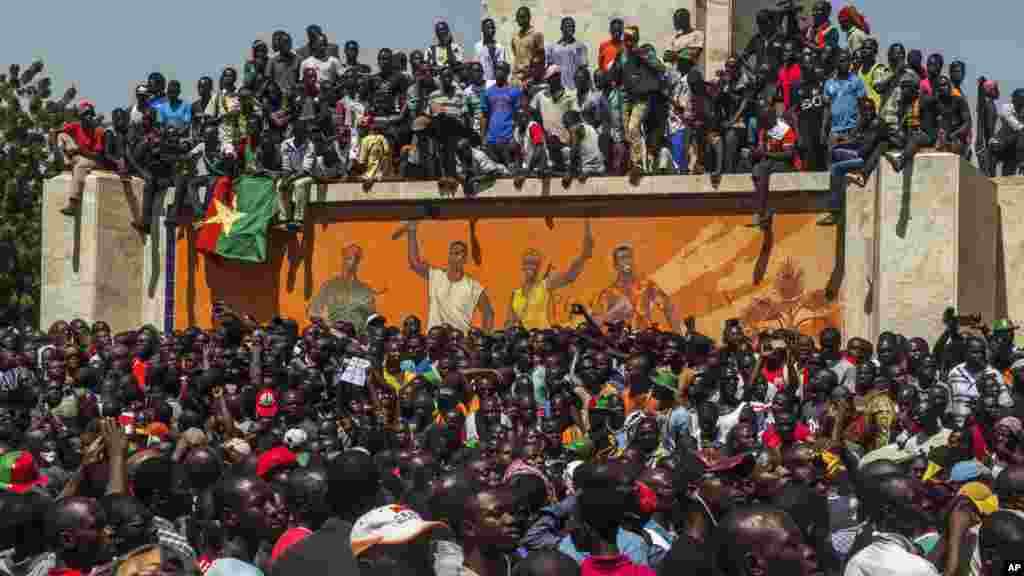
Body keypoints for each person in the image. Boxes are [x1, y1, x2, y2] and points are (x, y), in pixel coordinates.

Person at [403, 222, 494, 333]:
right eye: (454, 253)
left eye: (461, 253)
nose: (458, 256)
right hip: (434, 340)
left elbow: (488, 312)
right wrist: (412, 231)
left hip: (459, 341)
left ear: (465, 259)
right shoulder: (436, 276)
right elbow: (414, 263)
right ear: (449, 256)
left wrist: (484, 339)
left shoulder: (473, 286)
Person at [507, 222, 593, 330]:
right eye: (527, 263)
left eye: (534, 263)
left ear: (539, 267)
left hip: (545, 338)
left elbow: (569, 276)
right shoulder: (515, 294)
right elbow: (509, 322)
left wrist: (583, 257)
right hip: (526, 342)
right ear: (522, 266)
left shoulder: (545, 285)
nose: (531, 266)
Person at [594, 243, 677, 331]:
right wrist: (613, 313)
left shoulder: (647, 285)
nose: (626, 260)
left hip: (646, 338)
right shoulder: (607, 294)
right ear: (615, 265)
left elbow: (668, 306)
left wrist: (678, 335)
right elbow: (595, 322)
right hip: (620, 341)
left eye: (628, 257)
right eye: (622, 258)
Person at [307, 244, 379, 329]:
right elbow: (313, 313)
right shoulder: (330, 285)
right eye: (349, 257)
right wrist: (330, 329)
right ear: (343, 257)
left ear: (359, 261)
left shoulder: (365, 290)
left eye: (356, 257)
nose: (352, 260)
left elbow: (372, 320)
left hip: (357, 339)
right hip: (334, 338)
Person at [56, 102, 105, 217]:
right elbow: (56, 132)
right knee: (61, 136)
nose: (88, 117)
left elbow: (98, 156)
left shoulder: (98, 131)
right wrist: (58, 149)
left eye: (90, 114)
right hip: (79, 155)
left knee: (80, 166)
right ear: (81, 117)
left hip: (93, 160)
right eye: (85, 114)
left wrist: (79, 150)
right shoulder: (76, 126)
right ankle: (66, 162)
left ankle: (73, 203)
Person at [546, 18, 588, 91]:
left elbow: (583, 69)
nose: (570, 29)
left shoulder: (580, 47)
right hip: (558, 89)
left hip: (574, 88)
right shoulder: (553, 48)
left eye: (572, 26)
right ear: (561, 28)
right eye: (568, 26)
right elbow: (549, 69)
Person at [511, 7, 544, 88]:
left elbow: (541, 57)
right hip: (516, 78)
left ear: (529, 17)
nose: (520, 20)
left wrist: (533, 76)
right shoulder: (515, 37)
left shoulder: (536, 34)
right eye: (518, 17)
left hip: (530, 79)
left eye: (522, 17)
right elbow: (516, 56)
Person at [665, 8, 705, 73]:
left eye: (677, 20)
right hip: (675, 74)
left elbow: (692, 54)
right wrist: (682, 53)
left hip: (690, 75)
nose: (674, 23)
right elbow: (666, 56)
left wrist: (675, 54)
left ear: (685, 20)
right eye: (674, 20)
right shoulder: (675, 37)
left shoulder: (697, 34)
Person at [476, 18, 507, 87]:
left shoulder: (500, 47)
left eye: (493, 28)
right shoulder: (477, 46)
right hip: (482, 83)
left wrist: (492, 54)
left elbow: (501, 67)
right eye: (488, 28)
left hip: (495, 83)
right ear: (482, 29)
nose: (491, 30)